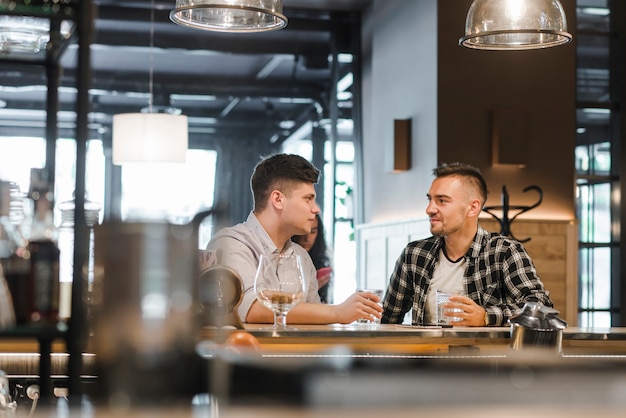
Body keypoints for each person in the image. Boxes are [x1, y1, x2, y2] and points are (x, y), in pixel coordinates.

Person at [206, 153, 381, 324]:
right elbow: (252, 309)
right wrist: (338, 312)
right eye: (308, 199)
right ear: (278, 199)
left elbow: (316, 321)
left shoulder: (301, 257)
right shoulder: (231, 242)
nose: (315, 209)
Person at [381, 162, 553, 327]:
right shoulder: (415, 254)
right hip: (427, 356)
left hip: (487, 357)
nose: (429, 209)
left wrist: (486, 316)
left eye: (442, 200)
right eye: (430, 200)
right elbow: (387, 319)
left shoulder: (504, 252)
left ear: (473, 208)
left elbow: (541, 308)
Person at [292, 214, 333, 303]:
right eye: (304, 231)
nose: (307, 238)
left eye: (313, 231)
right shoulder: (286, 259)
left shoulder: (319, 262)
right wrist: (312, 287)